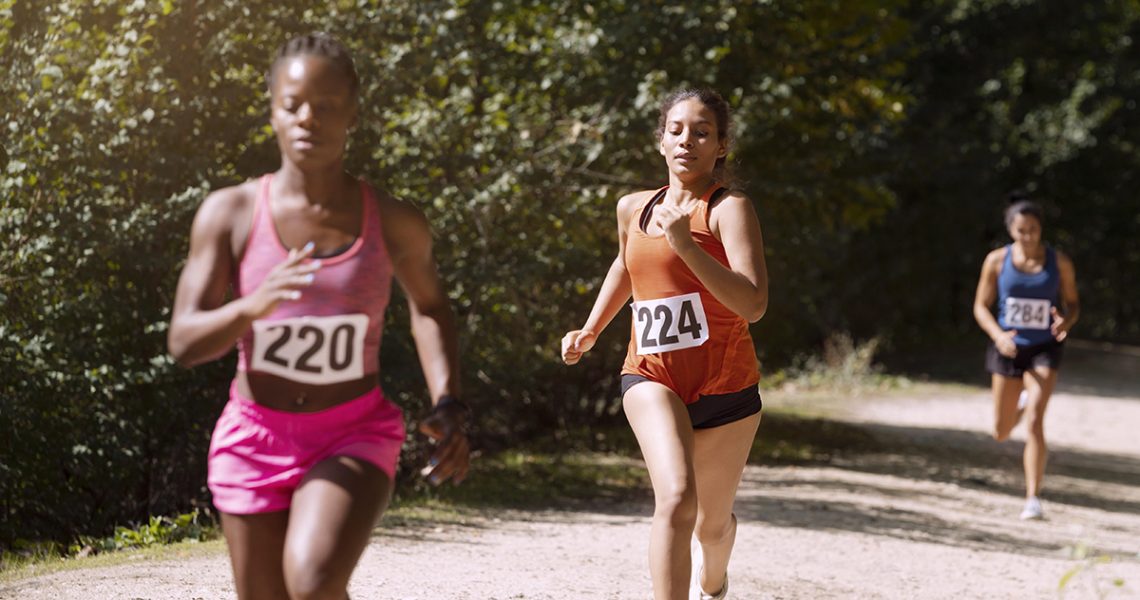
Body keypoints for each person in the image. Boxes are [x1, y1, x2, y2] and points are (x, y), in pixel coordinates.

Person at [167, 33, 470, 600]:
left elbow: (429, 306)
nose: (309, 118)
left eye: (326, 106)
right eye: (293, 104)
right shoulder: (229, 214)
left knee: (312, 583)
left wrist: (449, 402)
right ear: (273, 110)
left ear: (351, 113)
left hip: (352, 433)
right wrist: (253, 305)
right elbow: (184, 342)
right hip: (253, 436)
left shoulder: (395, 221)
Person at [561, 88, 767, 600]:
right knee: (676, 498)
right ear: (660, 141)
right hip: (651, 373)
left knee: (711, 527)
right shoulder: (633, 207)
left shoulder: (728, 209)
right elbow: (625, 265)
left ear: (720, 146)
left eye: (702, 132)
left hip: (726, 385)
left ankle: (714, 579)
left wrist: (684, 244)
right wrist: (591, 329)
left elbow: (754, 304)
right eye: (676, 129)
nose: (687, 141)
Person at [972, 193, 1079, 521]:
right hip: (1008, 348)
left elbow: (1073, 304)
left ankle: (1033, 498)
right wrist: (998, 335)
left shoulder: (1058, 262)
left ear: (1041, 228)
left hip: (1044, 348)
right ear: (1011, 231)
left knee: (1035, 421)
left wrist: (1066, 320)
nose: (1028, 236)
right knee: (1001, 431)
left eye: (1033, 229)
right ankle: (1016, 409)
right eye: (1021, 230)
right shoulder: (995, 261)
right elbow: (980, 307)